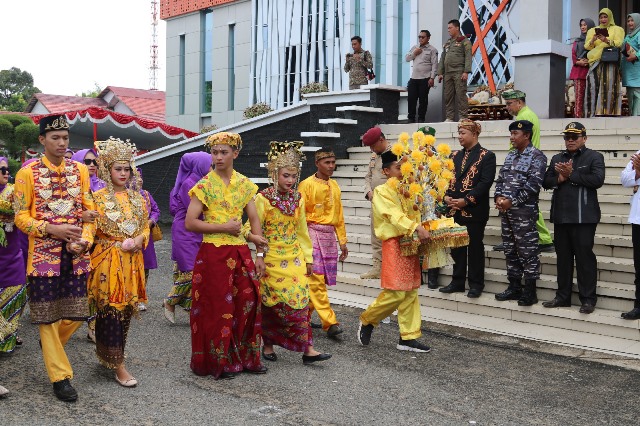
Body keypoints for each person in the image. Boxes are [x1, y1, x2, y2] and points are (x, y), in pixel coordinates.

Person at [13, 115, 96, 402]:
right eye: (55, 138)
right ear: (42, 140)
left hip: (76, 254)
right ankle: (61, 377)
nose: (62, 143)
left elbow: (90, 210)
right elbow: (20, 216)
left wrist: (85, 240)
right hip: (43, 256)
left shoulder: (81, 171)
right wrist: (51, 229)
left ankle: (50, 345)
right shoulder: (27, 173)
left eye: (65, 138)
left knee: (75, 315)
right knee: (47, 318)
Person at [185, 132, 266, 380]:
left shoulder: (244, 184)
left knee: (248, 301)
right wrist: (223, 228)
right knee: (218, 306)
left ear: (235, 154)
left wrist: (260, 253)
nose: (218, 157)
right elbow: (190, 223)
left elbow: (254, 220)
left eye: (223, 152)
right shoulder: (204, 186)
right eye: (215, 152)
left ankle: (246, 357)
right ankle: (219, 359)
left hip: (240, 251)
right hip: (213, 252)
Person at [246, 141, 331, 365]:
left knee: (301, 302)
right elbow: (250, 230)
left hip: (294, 258)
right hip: (271, 260)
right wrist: (260, 255)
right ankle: (268, 344)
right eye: (286, 175)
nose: (291, 181)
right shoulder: (262, 199)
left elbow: (302, 231)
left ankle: (308, 349)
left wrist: (308, 258)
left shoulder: (298, 199)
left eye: (294, 176)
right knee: (272, 304)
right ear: (275, 173)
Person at [88, 137, 149, 387]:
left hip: (132, 261)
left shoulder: (138, 197)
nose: (123, 173)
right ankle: (119, 364)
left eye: (127, 169)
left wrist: (139, 239)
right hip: (107, 260)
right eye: (118, 169)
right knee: (110, 310)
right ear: (107, 169)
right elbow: (89, 230)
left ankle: (108, 356)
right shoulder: (97, 198)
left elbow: (146, 227)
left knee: (124, 312)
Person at [357, 150, 432, 352]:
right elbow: (392, 214)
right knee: (396, 292)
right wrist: (415, 227)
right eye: (398, 167)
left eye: (403, 167)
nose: (402, 171)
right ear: (386, 171)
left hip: (411, 242)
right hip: (394, 243)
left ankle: (408, 337)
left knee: (411, 292)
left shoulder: (408, 189)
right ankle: (368, 319)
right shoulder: (382, 191)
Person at [541, 122, 604, 314]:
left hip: (584, 217)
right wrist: (559, 179)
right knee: (563, 259)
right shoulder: (557, 158)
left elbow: (597, 180)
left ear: (584, 138)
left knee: (585, 259)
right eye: (567, 137)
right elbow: (545, 181)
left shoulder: (594, 157)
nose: (570, 140)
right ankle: (563, 297)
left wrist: (572, 174)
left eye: (574, 137)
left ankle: (588, 299)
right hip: (561, 216)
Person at [439, 119, 496, 298]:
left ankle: (476, 284)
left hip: (474, 210)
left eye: (463, 133)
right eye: (459, 132)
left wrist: (466, 200)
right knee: (457, 247)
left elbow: (485, 183)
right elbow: (446, 178)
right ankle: (457, 282)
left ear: (474, 134)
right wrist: (446, 196)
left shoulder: (487, 156)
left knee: (474, 248)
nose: (460, 136)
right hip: (454, 209)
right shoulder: (454, 155)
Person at [493, 120, 546, 306]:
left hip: (524, 213)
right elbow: (500, 179)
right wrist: (498, 197)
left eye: (515, 134)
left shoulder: (537, 156)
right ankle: (514, 287)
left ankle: (530, 291)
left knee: (527, 251)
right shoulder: (510, 156)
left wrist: (511, 201)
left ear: (527, 135)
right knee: (510, 249)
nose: (512, 137)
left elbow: (533, 186)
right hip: (506, 212)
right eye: (511, 133)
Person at [298, 148, 349, 338]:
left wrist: (342, 240)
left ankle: (302, 318)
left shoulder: (335, 185)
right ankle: (330, 322)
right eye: (327, 162)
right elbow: (299, 215)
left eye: (333, 162)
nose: (331, 166)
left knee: (320, 281)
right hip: (312, 234)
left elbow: (339, 215)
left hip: (328, 237)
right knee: (316, 279)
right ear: (317, 163)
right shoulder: (306, 185)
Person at [500, 90, 554, 253]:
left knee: (524, 203)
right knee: (526, 204)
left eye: (510, 104)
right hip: (527, 161)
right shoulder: (529, 114)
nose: (508, 107)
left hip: (524, 164)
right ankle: (541, 238)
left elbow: (516, 145)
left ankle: (543, 238)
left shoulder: (524, 117)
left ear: (519, 102)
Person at [163, 152, 211, 324]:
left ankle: (193, 309)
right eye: (210, 165)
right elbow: (197, 211)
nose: (212, 168)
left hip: (197, 230)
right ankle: (170, 301)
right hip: (185, 231)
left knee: (193, 269)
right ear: (201, 165)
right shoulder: (189, 183)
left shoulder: (203, 181)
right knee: (191, 271)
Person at [71, 148, 105, 342]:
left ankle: (93, 326)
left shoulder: (104, 186)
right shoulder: (71, 187)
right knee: (76, 288)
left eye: (95, 161)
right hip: (76, 243)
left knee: (96, 287)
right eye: (87, 161)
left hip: (99, 244)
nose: (92, 165)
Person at [0, 157, 27, 354]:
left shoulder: (13, 194)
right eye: (1, 169)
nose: (5, 173)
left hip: (12, 258)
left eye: (7, 169)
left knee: (15, 297)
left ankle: (7, 341)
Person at [361, 127, 390, 280]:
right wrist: (368, 191)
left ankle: (392, 268)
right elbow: (367, 177)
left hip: (391, 204)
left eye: (373, 145)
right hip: (375, 203)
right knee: (376, 236)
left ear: (381, 140)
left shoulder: (397, 153)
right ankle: (377, 267)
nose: (371, 149)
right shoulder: (374, 156)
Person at [584, 8, 625, 117]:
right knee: (593, 86)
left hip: (610, 61)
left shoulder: (617, 29)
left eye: (605, 17)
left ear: (610, 17)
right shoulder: (592, 30)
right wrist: (593, 40)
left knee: (609, 87)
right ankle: (591, 114)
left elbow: (620, 44)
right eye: (601, 17)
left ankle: (608, 114)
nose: (603, 19)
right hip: (595, 61)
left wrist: (606, 40)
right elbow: (587, 47)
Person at [437, 19, 472, 122]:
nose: (448, 30)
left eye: (450, 28)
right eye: (448, 28)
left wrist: (466, 71)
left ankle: (463, 117)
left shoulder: (465, 41)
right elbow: (443, 58)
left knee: (461, 95)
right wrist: (440, 72)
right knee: (448, 96)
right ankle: (449, 117)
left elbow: (468, 57)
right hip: (448, 73)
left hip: (459, 72)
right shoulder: (448, 43)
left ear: (457, 28)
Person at [137, 168, 160, 312]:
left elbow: (156, 210)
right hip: (129, 236)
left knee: (145, 268)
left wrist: (152, 220)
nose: (139, 180)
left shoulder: (146, 194)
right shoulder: (122, 195)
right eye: (135, 177)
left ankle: (140, 297)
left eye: (140, 176)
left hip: (146, 237)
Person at [621, 148, 640, 319]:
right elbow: (625, 179)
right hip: (638, 219)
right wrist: (638, 173)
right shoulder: (639, 154)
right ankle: (639, 305)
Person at [405, 30, 438, 123]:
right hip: (414, 78)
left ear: (428, 38)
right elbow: (407, 58)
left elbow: (435, 65)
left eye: (423, 37)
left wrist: (432, 78)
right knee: (411, 98)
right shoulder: (415, 47)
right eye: (419, 37)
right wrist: (414, 53)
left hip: (425, 78)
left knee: (423, 100)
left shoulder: (432, 50)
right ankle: (411, 118)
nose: (420, 39)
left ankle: (421, 118)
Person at [571, 19, 596, 118]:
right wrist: (578, 62)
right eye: (581, 25)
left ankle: (590, 117)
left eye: (585, 25)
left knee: (591, 97)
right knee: (579, 97)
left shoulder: (595, 40)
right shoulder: (577, 41)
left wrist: (589, 61)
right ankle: (578, 118)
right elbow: (573, 54)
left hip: (592, 70)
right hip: (579, 72)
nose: (583, 27)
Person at [622, 13, 640, 116]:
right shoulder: (628, 36)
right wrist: (620, 68)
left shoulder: (639, 34)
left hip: (637, 72)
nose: (630, 23)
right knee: (631, 97)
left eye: (632, 20)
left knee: (638, 97)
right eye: (628, 21)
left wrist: (636, 56)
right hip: (628, 72)